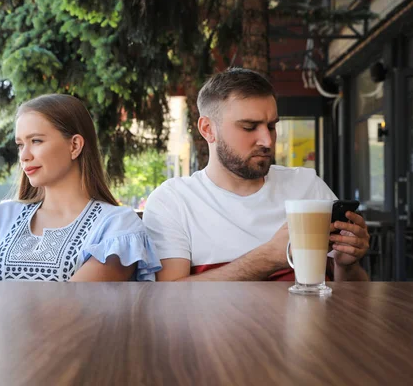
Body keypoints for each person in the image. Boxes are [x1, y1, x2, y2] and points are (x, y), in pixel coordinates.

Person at [143, 68, 370, 281]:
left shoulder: (306, 185)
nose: (267, 141)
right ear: (207, 129)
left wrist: (346, 265)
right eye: (249, 127)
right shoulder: (173, 201)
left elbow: (353, 298)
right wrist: (268, 258)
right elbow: (169, 297)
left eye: (271, 126)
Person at [0, 94, 161, 282]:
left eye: (36, 141)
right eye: (20, 145)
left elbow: (72, 306)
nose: (24, 156)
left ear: (75, 146)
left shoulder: (117, 227)